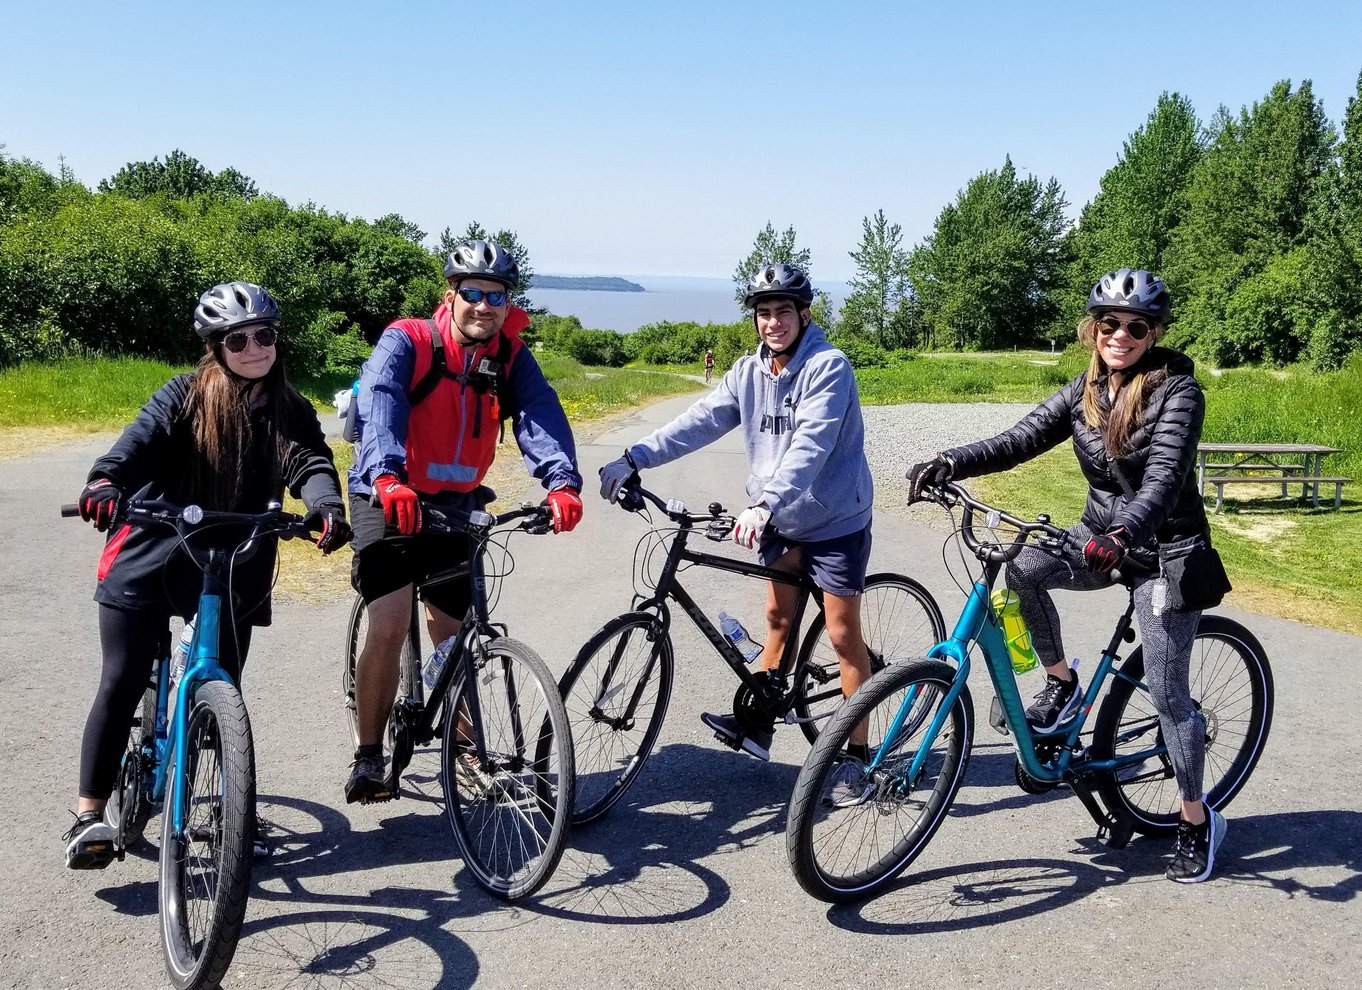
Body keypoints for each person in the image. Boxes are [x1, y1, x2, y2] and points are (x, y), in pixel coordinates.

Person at [907, 268, 1226, 883]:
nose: (1122, 335)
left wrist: (1125, 533)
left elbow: (1162, 480)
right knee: (1023, 564)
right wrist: (950, 461)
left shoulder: (1178, 392)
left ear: (1154, 333)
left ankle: (1194, 820)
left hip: (1161, 550)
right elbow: (1021, 438)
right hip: (1098, 537)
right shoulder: (1085, 389)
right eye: (1110, 324)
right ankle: (1061, 682)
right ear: (1094, 328)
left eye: (1137, 327)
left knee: (1166, 693)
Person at [65, 281, 349, 869]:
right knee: (121, 679)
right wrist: (104, 482)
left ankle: (227, 803)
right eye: (237, 339)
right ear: (214, 347)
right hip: (155, 547)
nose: (253, 348)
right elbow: (135, 446)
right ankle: (90, 815)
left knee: (224, 686)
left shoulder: (288, 407)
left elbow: (310, 461)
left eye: (264, 336)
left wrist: (327, 505)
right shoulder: (185, 395)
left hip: (235, 560)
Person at [599, 263, 876, 805]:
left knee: (843, 635)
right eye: (764, 313)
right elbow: (700, 420)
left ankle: (856, 758)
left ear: (804, 314)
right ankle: (760, 724)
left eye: (783, 312)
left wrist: (764, 503)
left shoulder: (829, 368)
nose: (773, 322)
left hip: (834, 519)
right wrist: (634, 457)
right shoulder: (748, 373)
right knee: (777, 617)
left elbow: (811, 446)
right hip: (779, 518)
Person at [345, 238, 583, 804]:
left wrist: (561, 481)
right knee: (389, 619)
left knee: (454, 634)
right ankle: (370, 756)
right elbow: (381, 399)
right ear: (449, 295)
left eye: (496, 296)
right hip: (387, 495)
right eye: (473, 293)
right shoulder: (409, 341)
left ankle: (467, 752)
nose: (484, 305)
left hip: (455, 503)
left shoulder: (509, 356)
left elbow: (539, 412)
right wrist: (386, 475)